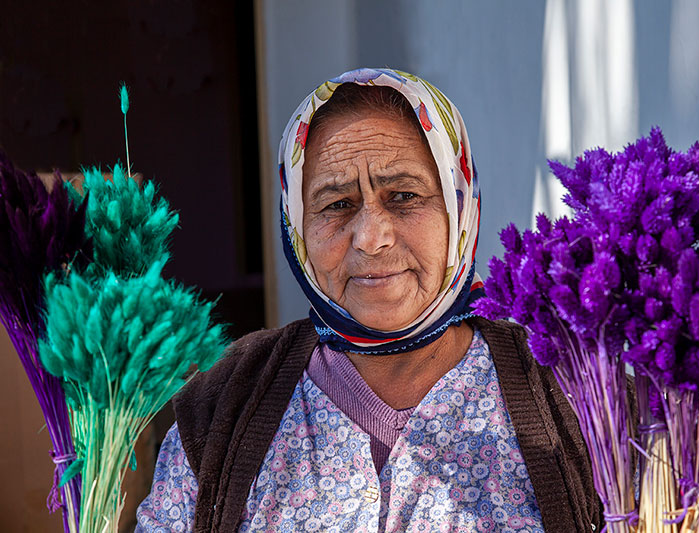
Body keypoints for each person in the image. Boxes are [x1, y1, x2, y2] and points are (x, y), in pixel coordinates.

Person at [136, 68, 601, 533]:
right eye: (337, 204)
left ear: (459, 209)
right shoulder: (223, 411)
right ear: (297, 227)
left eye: (403, 196)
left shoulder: (579, 395)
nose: (371, 238)